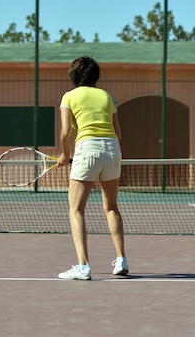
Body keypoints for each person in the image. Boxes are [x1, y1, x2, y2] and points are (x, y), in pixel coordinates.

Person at [56, 56, 128, 280]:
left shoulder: (69, 96)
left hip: (87, 149)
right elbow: (118, 133)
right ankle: (122, 260)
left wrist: (66, 155)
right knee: (111, 207)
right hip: (113, 150)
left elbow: (66, 132)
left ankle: (83, 266)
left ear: (74, 75)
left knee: (76, 210)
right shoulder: (107, 96)